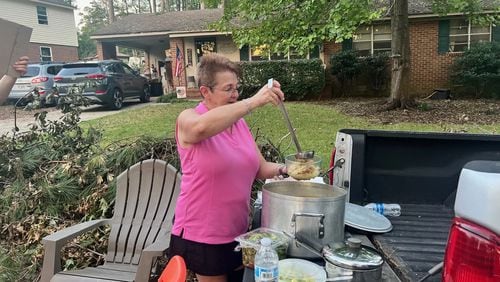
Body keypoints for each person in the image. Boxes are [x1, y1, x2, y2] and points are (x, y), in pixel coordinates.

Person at [169, 53, 287, 282]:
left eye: (237, 88)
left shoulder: (238, 122)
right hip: (204, 233)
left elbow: (260, 167)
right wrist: (253, 101)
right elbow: (200, 129)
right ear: (206, 92)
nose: (235, 94)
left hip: (238, 231)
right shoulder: (189, 118)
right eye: (228, 89)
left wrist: (289, 169)